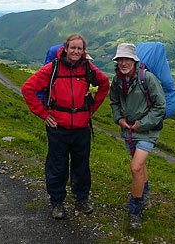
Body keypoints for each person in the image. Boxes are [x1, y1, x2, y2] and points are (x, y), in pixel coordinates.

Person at [22, 34, 109, 219]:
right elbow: (28, 88)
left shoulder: (88, 67)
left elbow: (104, 84)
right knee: (57, 166)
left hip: (81, 128)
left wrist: (91, 109)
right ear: (66, 49)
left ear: (83, 51)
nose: (76, 51)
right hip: (58, 128)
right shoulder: (52, 68)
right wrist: (43, 114)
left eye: (80, 48)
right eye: (73, 48)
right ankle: (57, 202)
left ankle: (81, 199)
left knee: (81, 166)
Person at [109, 43, 166, 229]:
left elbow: (160, 106)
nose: (123, 62)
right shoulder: (117, 80)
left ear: (135, 60)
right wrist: (119, 119)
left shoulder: (147, 78)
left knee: (135, 168)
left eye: (127, 59)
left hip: (147, 131)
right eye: (120, 59)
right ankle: (146, 196)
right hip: (129, 130)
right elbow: (114, 102)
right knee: (140, 167)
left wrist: (143, 124)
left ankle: (136, 209)